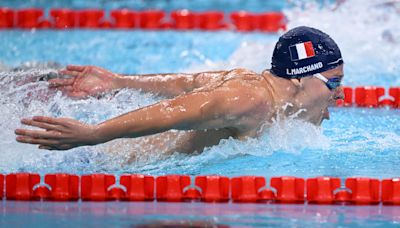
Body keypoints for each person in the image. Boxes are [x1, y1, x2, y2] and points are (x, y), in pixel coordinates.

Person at [15, 26, 344, 153]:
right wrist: (94, 133)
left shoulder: (251, 81)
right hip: (107, 163)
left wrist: (118, 82)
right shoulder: (251, 100)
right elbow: (174, 111)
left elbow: (187, 83)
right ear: (302, 78)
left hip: (109, 155)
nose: (341, 95)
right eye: (335, 83)